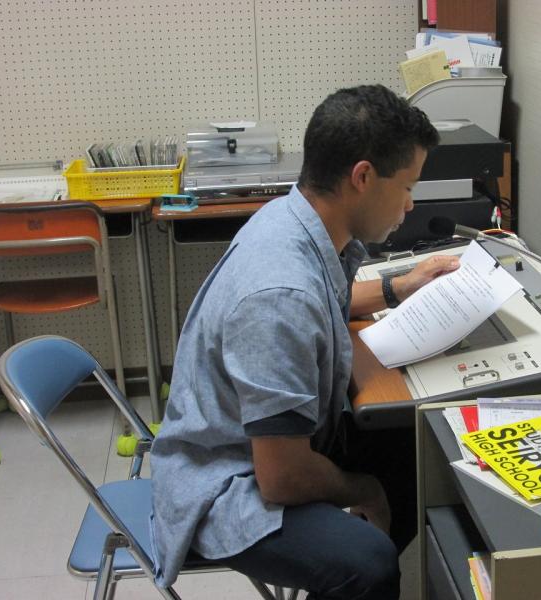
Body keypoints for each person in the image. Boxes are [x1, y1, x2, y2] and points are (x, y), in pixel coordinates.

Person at [150, 84, 460, 599]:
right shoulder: (280, 295)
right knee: (369, 563)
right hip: (228, 481)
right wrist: (365, 490)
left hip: (270, 446)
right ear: (363, 177)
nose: (410, 204)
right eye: (407, 186)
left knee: (415, 448)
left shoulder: (294, 217)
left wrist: (397, 287)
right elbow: (282, 478)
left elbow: (324, 299)